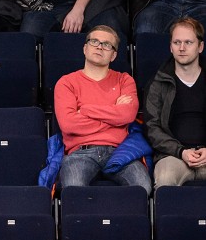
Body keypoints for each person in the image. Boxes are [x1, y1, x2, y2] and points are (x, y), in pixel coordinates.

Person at [54, 25, 152, 192]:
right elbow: (69, 124)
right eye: (94, 42)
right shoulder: (66, 82)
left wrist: (85, 110)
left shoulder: (124, 80)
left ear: (113, 55)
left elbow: (127, 115)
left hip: (120, 152)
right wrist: (114, 113)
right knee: (73, 190)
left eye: (107, 44)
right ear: (85, 48)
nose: (99, 46)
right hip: (80, 153)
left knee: (143, 188)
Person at [145, 17, 206, 186]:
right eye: (177, 42)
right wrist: (181, 151)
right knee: (165, 179)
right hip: (173, 156)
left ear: (200, 47)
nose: (182, 48)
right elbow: (152, 128)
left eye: (188, 42)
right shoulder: (157, 82)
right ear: (170, 47)